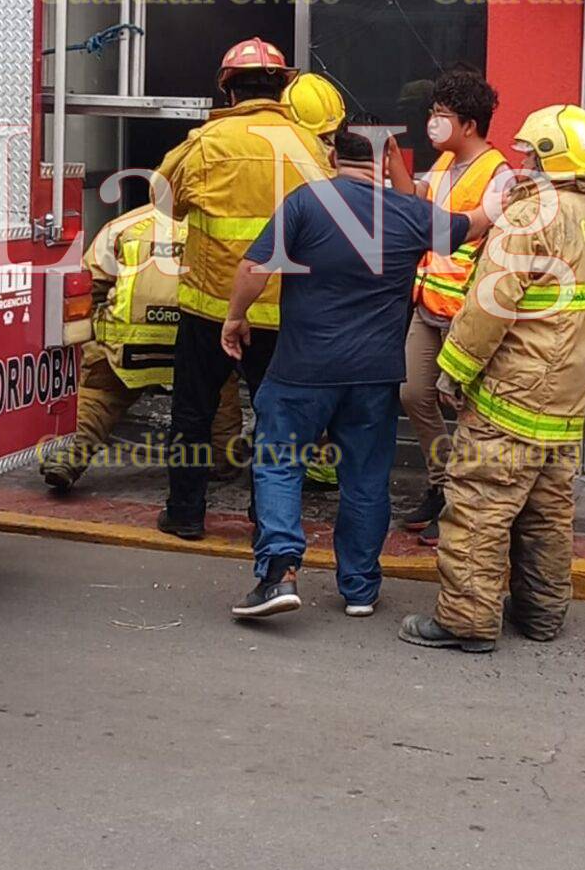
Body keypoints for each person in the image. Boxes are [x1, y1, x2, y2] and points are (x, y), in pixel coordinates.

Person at [221, 119, 497, 621]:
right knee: (365, 479)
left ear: (333, 156)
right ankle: (360, 588)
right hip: (374, 375)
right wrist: (510, 192)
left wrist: (236, 318)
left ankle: (280, 571)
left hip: (302, 370)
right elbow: (472, 225)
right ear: (389, 158)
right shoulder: (411, 213)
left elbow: (251, 270)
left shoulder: (306, 202)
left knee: (280, 463)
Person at [399, 103, 585, 653]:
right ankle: (542, 613)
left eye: (527, 151)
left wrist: (453, 370)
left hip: (513, 396)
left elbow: (491, 305)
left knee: (476, 503)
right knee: (546, 513)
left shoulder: (529, 217)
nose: (519, 159)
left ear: (547, 158)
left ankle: (466, 621)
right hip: (565, 401)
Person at [154, 38, 328, 540]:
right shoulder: (310, 145)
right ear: (281, 86)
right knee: (276, 420)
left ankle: (185, 514)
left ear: (228, 89)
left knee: (193, 413)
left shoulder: (207, 143)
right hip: (282, 312)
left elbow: (163, 200)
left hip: (210, 308)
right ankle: (266, 521)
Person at [389, 67, 512, 545]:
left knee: (464, 409)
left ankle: (459, 502)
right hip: (426, 305)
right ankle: (441, 484)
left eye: (442, 115)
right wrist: (392, 161)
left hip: (466, 314)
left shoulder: (497, 175)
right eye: (432, 113)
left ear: (469, 124)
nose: (433, 122)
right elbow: (411, 206)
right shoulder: (441, 166)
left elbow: (471, 231)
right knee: (413, 393)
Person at [40, 204, 244, 492]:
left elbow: (92, 282)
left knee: (100, 396)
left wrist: (96, 334)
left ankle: (71, 455)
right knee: (219, 392)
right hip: (194, 338)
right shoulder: (221, 228)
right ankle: (222, 460)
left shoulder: (125, 225)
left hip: (128, 344)